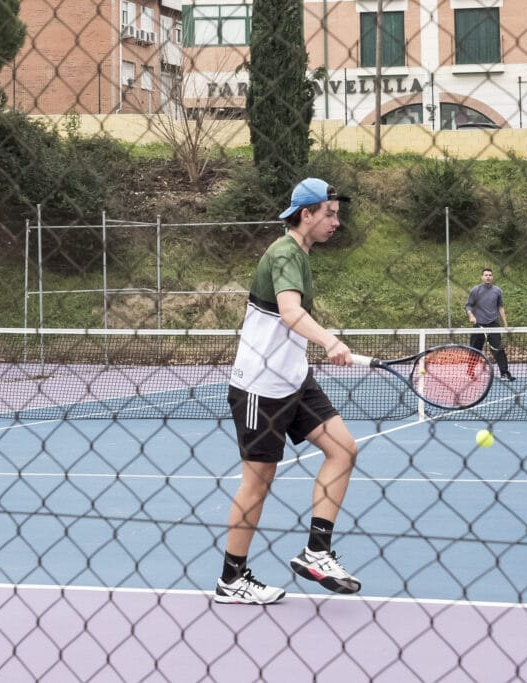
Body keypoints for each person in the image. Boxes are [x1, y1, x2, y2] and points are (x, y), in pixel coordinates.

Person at [215, 178, 362, 605]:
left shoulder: (299, 254)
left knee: (343, 449)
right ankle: (231, 579)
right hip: (261, 388)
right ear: (307, 214)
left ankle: (317, 551)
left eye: (337, 213)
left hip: (294, 380)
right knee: (257, 484)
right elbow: (290, 311)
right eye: (330, 213)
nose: (337, 221)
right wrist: (330, 342)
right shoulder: (284, 253)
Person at [465, 268, 515, 381]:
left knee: (498, 350)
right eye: (486, 275)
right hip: (479, 326)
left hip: (493, 324)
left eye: (490, 275)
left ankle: (504, 373)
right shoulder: (475, 290)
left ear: (492, 277)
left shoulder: (497, 291)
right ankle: (470, 370)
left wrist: (505, 323)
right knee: (475, 350)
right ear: (482, 277)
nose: (488, 277)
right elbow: (468, 305)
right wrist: (471, 315)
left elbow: (500, 308)